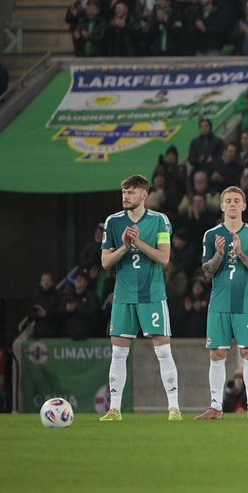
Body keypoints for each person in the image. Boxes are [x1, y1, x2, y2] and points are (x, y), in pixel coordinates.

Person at [98, 175, 180, 421]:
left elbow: (164, 258)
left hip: (152, 294)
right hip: (123, 296)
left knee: (163, 351)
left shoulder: (159, 221)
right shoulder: (113, 222)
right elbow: (105, 262)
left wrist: (137, 242)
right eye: (124, 192)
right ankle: (115, 409)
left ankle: (174, 407)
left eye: (131, 192)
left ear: (144, 195)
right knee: (118, 353)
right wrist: (124, 246)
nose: (126, 196)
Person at [197, 186, 248, 419]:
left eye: (237, 201)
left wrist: (240, 253)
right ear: (221, 206)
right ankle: (216, 406)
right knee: (217, 353)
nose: (232, 204)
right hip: (219, 303)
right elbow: (207, 271)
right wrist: (219, 254)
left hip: (244, 304)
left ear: (244, 206)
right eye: (228, 201)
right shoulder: (211, 235)